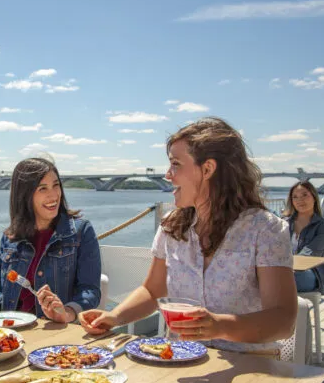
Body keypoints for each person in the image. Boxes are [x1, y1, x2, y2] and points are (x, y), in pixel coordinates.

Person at [79, 117, 298, 354]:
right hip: (180, 359)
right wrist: (114, 316)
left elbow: (283, 321)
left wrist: (220, 326)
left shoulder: (265, 230)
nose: (167, 175)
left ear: (207, 169)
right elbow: (152, 291)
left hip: (252, 368)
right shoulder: (172, 227)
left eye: (175, 164)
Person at [0, 157, 101, 323]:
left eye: (56, 185)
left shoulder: (80, 232)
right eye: (42, 188)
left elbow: (90, 291)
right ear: (25, 195)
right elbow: (1, 294)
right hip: (12, 334)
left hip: (56, 334)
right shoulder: (10, 238)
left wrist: (66, 312)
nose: (53, 195)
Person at [283, 181, 324, 294]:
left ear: (314, 197)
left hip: (310, 272)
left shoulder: (323, 226)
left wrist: (286, 268)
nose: (300, 200)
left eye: (304, 195)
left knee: (289, 278)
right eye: (295, 197)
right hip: (284, 270)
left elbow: (310, 253)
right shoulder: (283, 223)